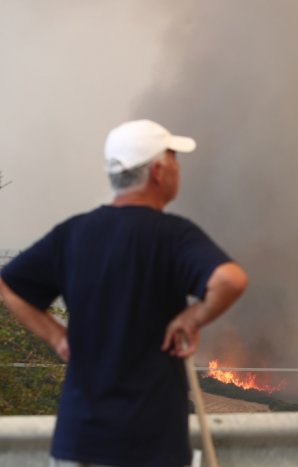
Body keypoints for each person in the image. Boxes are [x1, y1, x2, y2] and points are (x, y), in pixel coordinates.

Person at [0, 119, 248, 466]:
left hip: (79, 440)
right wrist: (192, 318)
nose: (179, 168)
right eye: (174, 159)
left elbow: (9, 284)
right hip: (150, 443)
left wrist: (57, 338)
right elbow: (230, 280)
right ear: (158, 171)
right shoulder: (173, 235)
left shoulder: (73, 233)